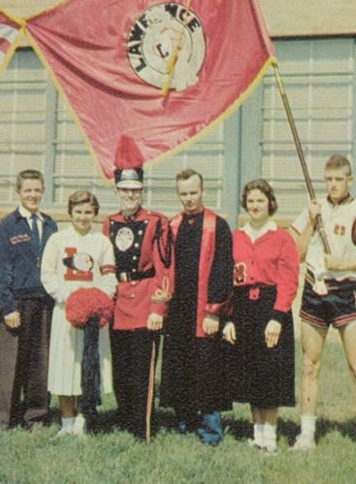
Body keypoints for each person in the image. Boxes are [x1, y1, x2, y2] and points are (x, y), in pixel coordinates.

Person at [290, 155, 356, 459]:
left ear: (349, 180)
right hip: (314, 289)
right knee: (310, 364)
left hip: (344, 291)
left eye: (338, 179)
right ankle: (306, 434)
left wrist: (344, 263)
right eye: (328, 179)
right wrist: (309, 219)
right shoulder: (314, 208)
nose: (333, 185)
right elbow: (297, 253)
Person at [103, 136, 171, 441]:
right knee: (121, 368)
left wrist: (159, 307)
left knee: (142, 369)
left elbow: (165, 268)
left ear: (142, 190)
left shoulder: (157, 222)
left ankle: (141, 428)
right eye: (124, 190)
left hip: (145, 301)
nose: (130, 195)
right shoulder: (109, 222)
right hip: (119, 303)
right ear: (117, 190)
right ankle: (124, 417)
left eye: (135, 190)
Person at [223, 179, 299, 453]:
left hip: (270, 307)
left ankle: (270, 432)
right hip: (243, 309)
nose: (255, 206)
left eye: (260, 200)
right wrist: (228, 318)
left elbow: (289, 280)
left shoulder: (282, 238)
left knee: (270, 370)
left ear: (270, 203)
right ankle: (257, 431)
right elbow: (227, 281)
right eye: (251, 201)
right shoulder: (236, 237)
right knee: (251, 371)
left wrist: (277, 316)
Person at [159, 168, 233, 445]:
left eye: (193, 192)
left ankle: (211, 428)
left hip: (205, 310)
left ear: (203, 191)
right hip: (179, 312)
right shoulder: (173, 225)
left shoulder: (218, 225)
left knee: (207, 369)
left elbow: (223, 269)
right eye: (183, 194)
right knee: (180, 366)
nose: (189, 198)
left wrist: (214, 310)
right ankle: (184, 421)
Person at [40, 190, 117, 438]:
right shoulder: (58, 240)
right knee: (65, 367)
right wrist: (68, 298)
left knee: (87, 367)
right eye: (78, 212)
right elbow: (48, 274)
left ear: (95, 214)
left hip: (93, 317)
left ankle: (84, 421)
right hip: (65, 313)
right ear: (70, 213)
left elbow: (109, 277)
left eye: (88, 212)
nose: (83, 217)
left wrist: (97, 301)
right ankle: (66, 422)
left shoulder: (102, 242)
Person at [0, 169, 58, 430]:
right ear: (18, 192)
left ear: (43, 191)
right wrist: (7, 306)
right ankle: (5, 417)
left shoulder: (50, 224)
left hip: (43, 302)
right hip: (16, 302)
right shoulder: (8, 224)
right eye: (28, 190)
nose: (33, 195)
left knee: (40, 362)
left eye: (37, 190)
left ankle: (36, 415)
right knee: (12, 363)